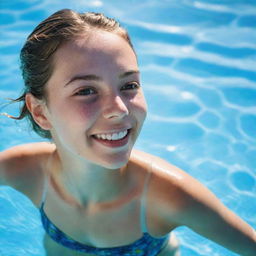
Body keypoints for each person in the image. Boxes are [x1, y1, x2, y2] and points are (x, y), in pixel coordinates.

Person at [0, 9, 255, 256]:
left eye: (129, 85)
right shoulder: (24, 170)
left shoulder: (170, 197)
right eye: (86, 90)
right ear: (40, 112)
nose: (119, 109)